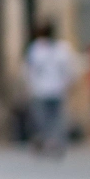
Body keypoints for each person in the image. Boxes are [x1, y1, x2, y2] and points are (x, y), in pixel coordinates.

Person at [24, 22, 78, 155]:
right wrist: (69, 83)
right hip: (56, 89)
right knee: (55, 119)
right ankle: (53, 141)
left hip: (41, 90)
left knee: (43, 119)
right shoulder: (62, 48)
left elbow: (29, 70)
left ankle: (47, 141)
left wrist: (29, 86)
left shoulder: (36, 49)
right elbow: (70, 69)